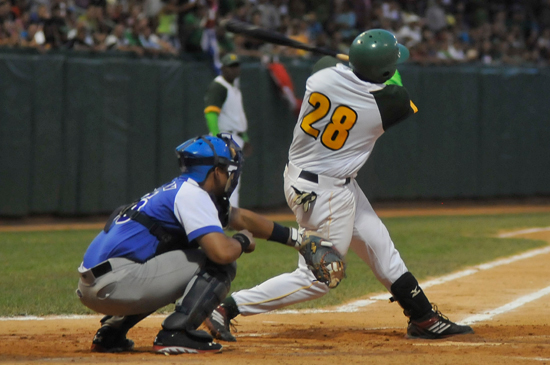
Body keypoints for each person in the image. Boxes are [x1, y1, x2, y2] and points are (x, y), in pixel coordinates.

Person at [205, 29, 475, 341]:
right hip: (324, 192)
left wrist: (355, 64)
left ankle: (423, 317)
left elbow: (325, 62)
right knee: (319, 278)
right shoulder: (387, 104)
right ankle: (225, 308)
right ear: (383, 72)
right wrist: (367, 67)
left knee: (380, 245)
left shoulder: (320, 79)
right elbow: (396, 87)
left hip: (312, 177)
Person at [76, 134, 302, 354]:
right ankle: (176, 333)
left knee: (178, 256)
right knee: (218, 264)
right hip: (118, 283)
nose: (230, 176)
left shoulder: (179, 189)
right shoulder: (193, 195)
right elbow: (221, 254)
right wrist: (241, 241)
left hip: (93, 285)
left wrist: (296, 238)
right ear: (215, 172)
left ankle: (111, 332)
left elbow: (239, 217)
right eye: (227, 171)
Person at [203, 53, 251, 208]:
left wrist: (245, 138)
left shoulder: (233, 88)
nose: (234, 69)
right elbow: (211, 114)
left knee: (233, 180)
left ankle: (230, 215)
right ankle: (225, 216)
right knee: (226, 180)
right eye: (230, 66)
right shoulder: (219, 86)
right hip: (225, 137)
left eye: (236, 66)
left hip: (235, 137)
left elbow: (236, 118)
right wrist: (218, 139)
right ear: (222, 68)